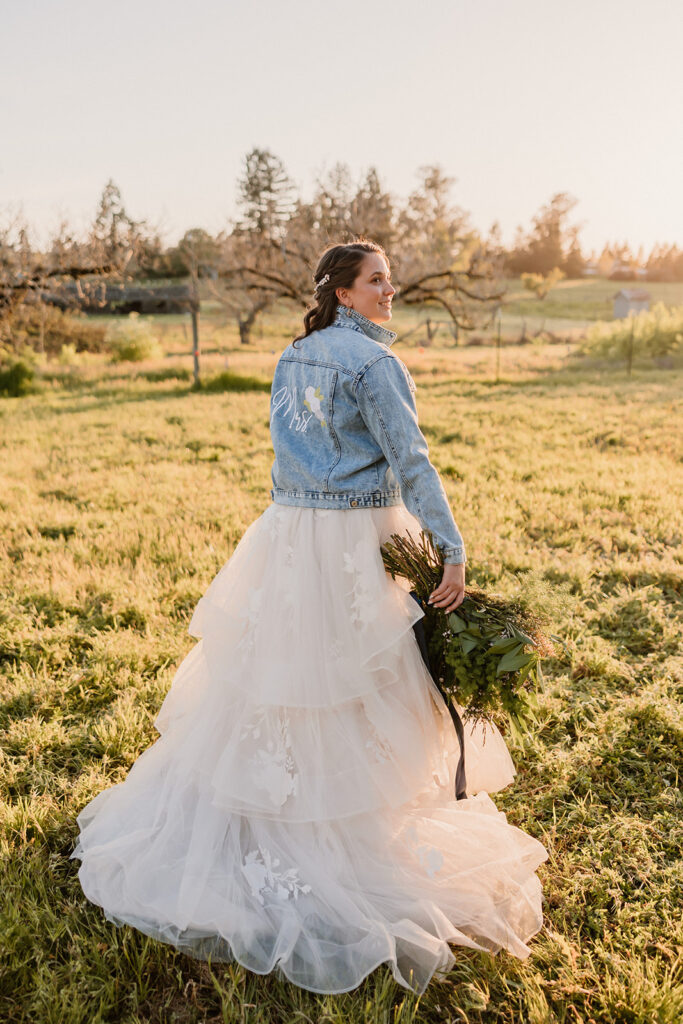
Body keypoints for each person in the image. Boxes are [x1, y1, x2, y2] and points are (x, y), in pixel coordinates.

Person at [70, 239, 549, 996]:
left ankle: (279, 818)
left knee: (282, 678)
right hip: (356, 539)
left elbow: (287, 451)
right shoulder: (374, 365)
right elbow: (412, 461)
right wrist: (450, 551)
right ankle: (346, 841)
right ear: (344, 291)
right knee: (358, 681)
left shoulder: (294, 356)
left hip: (291, 537)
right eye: (377, 280)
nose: (391, 290)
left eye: (390, 279)